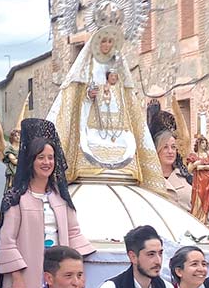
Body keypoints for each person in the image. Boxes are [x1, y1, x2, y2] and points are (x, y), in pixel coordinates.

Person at [46, 25, 164, 192]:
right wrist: (89, 94)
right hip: (93, 120)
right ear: (97, 43)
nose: (107, 45)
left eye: (110, 41)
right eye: (104, 41)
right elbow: (79, 97)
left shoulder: (118, 63)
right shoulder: (89, 65)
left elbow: (126, 95)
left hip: (118, 124)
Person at [0, 118, 93, 288]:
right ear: (31, 161)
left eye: (50, 157)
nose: (46, 162)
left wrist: (78, 272)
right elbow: (7, 241)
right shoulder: (18, 198)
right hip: (26, 275)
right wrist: (16, 277)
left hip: (57, 273)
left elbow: (73, 232)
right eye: (41, 157)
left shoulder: (60, 196)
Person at [149, 111, 193, 210]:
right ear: (157, 149)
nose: (170, 152)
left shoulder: (186, 177)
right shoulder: (149, 179)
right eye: (165, 147)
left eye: (173, 147)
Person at [187, 135, 209, 225]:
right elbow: (189, 169)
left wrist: (202, 167)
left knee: (206, 199)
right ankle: (197, 218)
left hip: (208, 181)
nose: (204, 144)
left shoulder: (208, 156)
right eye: (202, 142)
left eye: (205, 143)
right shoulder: (194, 156)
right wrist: (195, 164)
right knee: (197, 200)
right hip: (198, 182)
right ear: (198, 144)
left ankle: (204, 219)